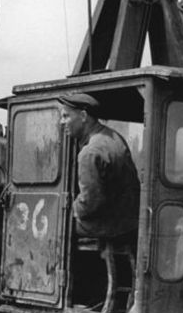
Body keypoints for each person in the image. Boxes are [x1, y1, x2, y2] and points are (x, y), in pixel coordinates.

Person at [58, 93, 140, 238]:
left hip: (110, 225)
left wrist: (71, 208)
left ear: (83, 116)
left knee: (58, 223)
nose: (61, 122)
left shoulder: (90, 152)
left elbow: (90, 202)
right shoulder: (114, 137)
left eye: (66, 116)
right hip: (128, 220)